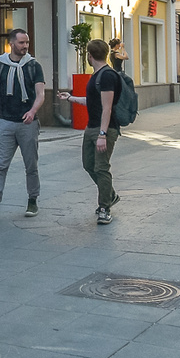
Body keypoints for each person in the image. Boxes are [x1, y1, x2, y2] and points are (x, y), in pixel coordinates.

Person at [0, 29, 46, 221]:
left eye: (27, 42)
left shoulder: (33, 66)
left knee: (31, 165)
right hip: (5, 122)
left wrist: (32, 111)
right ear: (11, 44)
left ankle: (32, 200)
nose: (25, 46)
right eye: (21, 43)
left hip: (28, 124)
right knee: (0, 165)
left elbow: (41, 94)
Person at [66, 38, 123, 224]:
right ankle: (110, 194)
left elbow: (107, 108)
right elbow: (92, 102)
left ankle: (104, 208)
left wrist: (102, 135)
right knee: (88, 164)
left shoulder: (107, 76)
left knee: (101, 167)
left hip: (104, 129)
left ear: (89, 56)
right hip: (91, 127)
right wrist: (70, 98)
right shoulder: (97, 75)